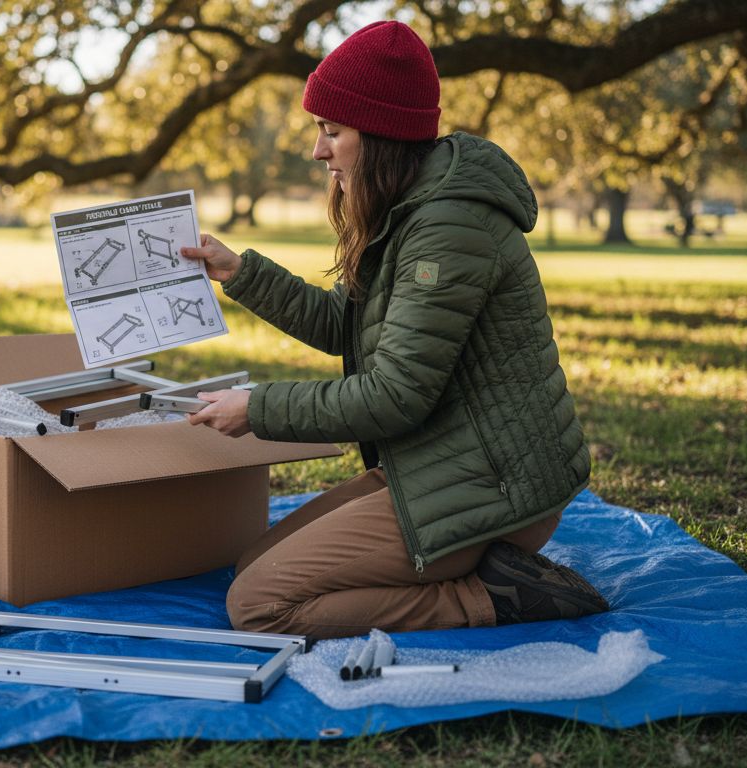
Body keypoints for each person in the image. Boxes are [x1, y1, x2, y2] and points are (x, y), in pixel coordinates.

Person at [179, 20, 608, 640]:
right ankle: (473, 572)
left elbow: (394, 395)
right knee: (253, 567)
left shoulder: (447, 229)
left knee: (258, 605)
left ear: (378, 135)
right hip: (442, 464)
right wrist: (240, 273)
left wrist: (258, 409)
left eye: (332, 132)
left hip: (496, 490)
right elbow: (346, 325)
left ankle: (495, 594)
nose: (319, 151)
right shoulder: (410, 211)